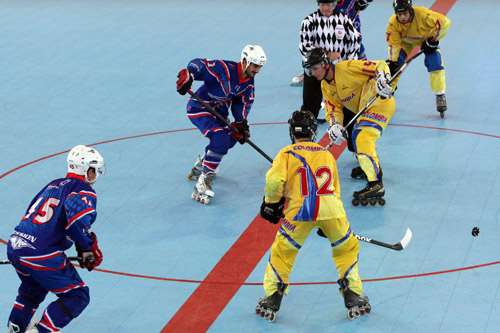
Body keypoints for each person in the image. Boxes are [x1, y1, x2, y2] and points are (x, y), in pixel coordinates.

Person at [256, 110, 370, 322]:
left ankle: (273, 296)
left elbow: (274, 182)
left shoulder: (286, 154)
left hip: (300, 213)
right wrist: (326, 222)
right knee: (346, 248)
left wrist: (271, 203)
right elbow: (335, 188)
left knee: (283, 251)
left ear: (292, 132)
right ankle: (352, 293)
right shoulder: (326, 154)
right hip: (332, 212)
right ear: (313, 131)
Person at [6, 145, 105, 333]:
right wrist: (87, 249)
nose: (95, 176)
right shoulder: (85, 191)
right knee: (77, 296)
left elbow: (30, 212)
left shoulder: (53, 184)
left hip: (16, 244)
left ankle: (14, 330)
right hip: (40, 253)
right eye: (94, 170)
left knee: (32, 290)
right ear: (86, 169)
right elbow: (76, 222)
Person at [176, 44, 267, 205]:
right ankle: (203, 181)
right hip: (200, 108)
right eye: (254, 66)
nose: (256, 70)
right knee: (220, 139)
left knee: (232, 137)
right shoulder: (224, 69)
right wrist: (189, 74)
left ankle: (203, 164)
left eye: (259, 67)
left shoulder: (249, 84)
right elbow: (200, 64)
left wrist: (241, 124)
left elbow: (242, 104)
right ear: (245, 61)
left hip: (219, 114)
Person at [303, 48, 395, 206]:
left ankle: (376, 185)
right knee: (355, 139)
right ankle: (369, 168)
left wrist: (382, 78)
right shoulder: (325, 85)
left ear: (325, 64)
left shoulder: (347, 67)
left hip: (379, 103)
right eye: (310, 69)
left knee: (362, 138)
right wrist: (334, 125)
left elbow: (379, 65)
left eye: (315, 68)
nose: (312, 73)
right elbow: (333, 108)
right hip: (364, 109)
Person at [293, 0, 361, 123]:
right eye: (323, 4)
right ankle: (305, 131)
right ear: (318, 4)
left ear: (335, 4)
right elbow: (305, 48)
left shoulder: (345, 20)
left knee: (345, 107)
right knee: (309, 107)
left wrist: (350, 66)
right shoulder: (308, 22)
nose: (326, 8)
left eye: (329, 4)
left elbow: (355, 42)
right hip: (315, 71)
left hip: (337, 73)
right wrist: (328, 57)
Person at [386, 0, 451, 118]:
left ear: (411, 10)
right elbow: (394, 44)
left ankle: (440, 94)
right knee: (394, 67)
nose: (402, 17)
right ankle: (388, 91)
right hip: (406, 43)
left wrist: (434, 40)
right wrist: (393, 61)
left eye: (405, 13)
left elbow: (445, 23)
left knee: (435, 63)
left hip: (426, 40)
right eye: (399, 14)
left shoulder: (423, 15)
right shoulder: (393, 23)